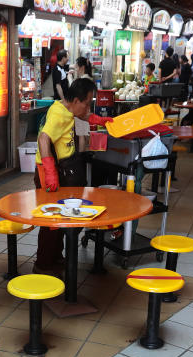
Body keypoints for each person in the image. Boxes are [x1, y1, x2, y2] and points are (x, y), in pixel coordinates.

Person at [34, 78, 112, 272]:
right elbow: (43, 139)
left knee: (61, 217)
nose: (88, 107)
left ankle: (56, 257)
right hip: (47, 170)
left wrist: (97, 119)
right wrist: (50, 172)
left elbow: (82, 115)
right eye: (87, 103)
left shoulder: (65, 107)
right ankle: (43, 264)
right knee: (51, 221)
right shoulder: (58, 116)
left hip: (62, 168)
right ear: (76, 100)